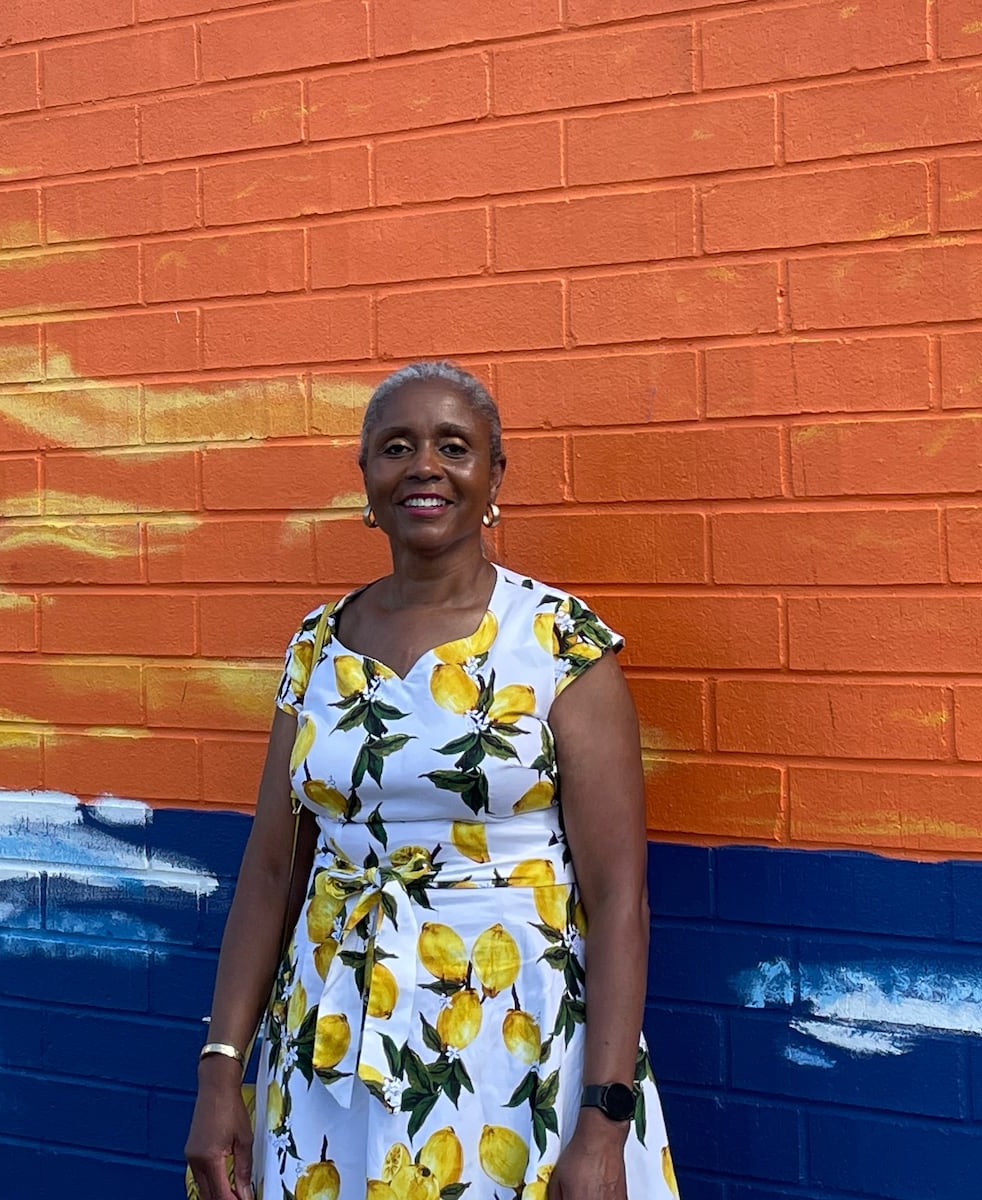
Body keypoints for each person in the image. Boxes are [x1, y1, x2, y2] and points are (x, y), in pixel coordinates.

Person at [185, 361, 679, 1200]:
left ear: (493, 476)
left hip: (510, 1041)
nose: (424, 466)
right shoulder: (316, 647)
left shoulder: (558, 641)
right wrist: (219, 1073)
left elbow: (619, 895)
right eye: (396, 447)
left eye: (454, 446)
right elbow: (271, 874)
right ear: (366, 480)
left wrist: (603, 1119)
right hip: (329, 1041)